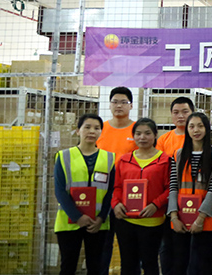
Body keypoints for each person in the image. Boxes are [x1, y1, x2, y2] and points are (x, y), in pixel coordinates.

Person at [54, 114, 115, 275]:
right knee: (68, 266)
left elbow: (111, 191)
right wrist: (77, 217)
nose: (92, 131)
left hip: (97, 223)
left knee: (96, 267)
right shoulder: (64, 156)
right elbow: (59, 190)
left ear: (101, 132)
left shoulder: (109, 158)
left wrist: (101, 218)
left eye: (96, 128)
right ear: (77, 131)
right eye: (87, 127)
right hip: (69, 222)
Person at [167, 112, 212, 275]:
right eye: (191, 126)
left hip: (205, 218)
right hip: (180, 216)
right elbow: (173, 186)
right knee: (179, 261)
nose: (196, 130)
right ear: (187, 129)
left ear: (207, 129)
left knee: (204, 261)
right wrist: (173, 217)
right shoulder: (178, 155)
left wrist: (200, 219)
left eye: (200, 126)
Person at [112, 118, 171, 275]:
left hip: (152, 221)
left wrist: (155, 205)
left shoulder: (165, 161)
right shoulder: (124, 160)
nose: (142, 137)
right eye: (138, 134)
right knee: (128, 264)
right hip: (126, 221)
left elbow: (170, 189)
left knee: (150, 263)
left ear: (155, 135)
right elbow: (117, 186)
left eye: (147, 133)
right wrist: (116, 204)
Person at [96, 86, 138, 275]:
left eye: (123, 102)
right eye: (115, 102)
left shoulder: (137, 131)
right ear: (109, 104)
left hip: (128, 195)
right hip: (102, 193)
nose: (119, 106)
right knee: (103, 243)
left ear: (131, 105)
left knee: (129, 244)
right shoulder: (100, 129)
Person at [156, 96, 194, 275]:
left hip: (192, 197)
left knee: (190, 246)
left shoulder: (196, 137)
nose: (180, 116)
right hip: (169, 197)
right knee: (167, 245)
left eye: (185, 112)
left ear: (192, 113)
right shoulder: (164, 139)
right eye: (176, 112)